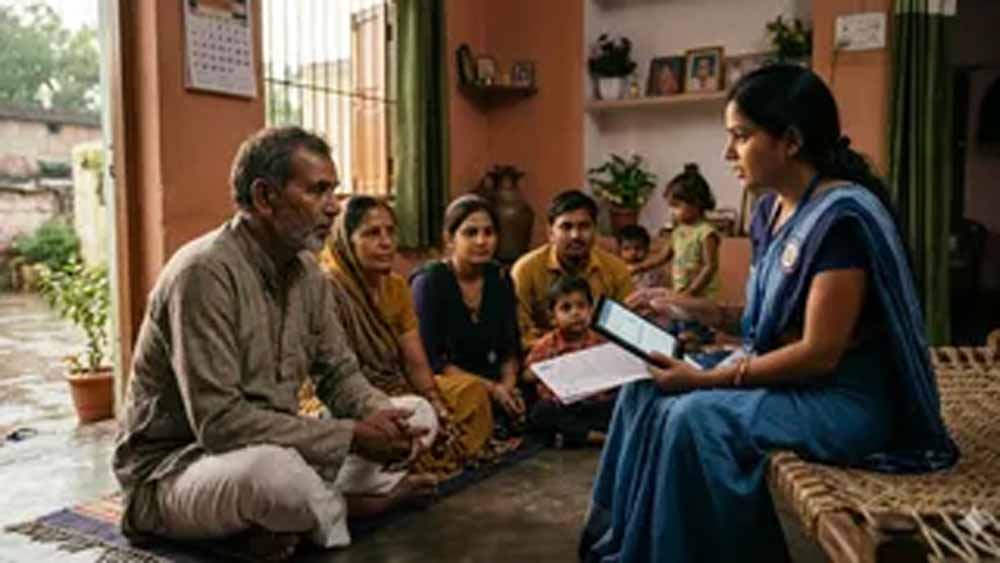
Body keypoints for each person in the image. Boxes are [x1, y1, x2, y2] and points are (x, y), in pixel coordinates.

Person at [580, 65, 957, 562]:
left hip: (841, 399)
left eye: (740, 136)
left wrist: (708, 380)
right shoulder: (770, 212)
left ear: (791, 142)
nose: (727, 153)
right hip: (784, 378)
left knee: (694, 419)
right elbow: (766, 324)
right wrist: (692, 307)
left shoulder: (840, 219)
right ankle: (622, 545)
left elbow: (819, 354)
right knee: (642, 387)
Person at [112, 127, 435, 561]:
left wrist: (381, 418)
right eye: (318, 191)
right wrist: (350, 436)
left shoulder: (309, 274)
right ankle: (359, 506)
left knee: (418, 414)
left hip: (279, 443)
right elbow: (220, 424)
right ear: (265, 198)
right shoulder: (203, 273)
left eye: (333, 191)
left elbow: (340, 374)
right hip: (181, 469)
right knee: (276, 476)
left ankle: (295, 516)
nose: (334, 207)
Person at [307, 195, 500, 480]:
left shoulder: (396, 287)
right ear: (346, 242)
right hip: (344, 398)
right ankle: (403, 466)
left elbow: (414, 360)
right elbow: (335, 376)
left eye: (390, 232)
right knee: (399, 421)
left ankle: (409, 462)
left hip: (395, 384)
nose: (386, 243)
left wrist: (434, 399)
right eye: (372, 234)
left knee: (469, 393)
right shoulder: (326, 290)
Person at [410, 194, 526, 431]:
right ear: (449, 239)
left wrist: (508, 385)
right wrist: (492, 390)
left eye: (489, 232)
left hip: (493, 378)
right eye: (470, 233)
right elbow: (433, 359)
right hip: (449, 382)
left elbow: (510, 347)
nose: (482, 241)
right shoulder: (429, 283)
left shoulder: (500, 278)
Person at [511, 189, 633, 350]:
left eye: (584, 226)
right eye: (566, 227)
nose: (575, 235)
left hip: (600, 353)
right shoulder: (526, 270)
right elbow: (520, 332)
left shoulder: (616, 269)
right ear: (550, 233)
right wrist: (559, 348)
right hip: (545, 355)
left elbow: (627, 329)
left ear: (595, 230)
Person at [525, 276, 614, 448]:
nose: (575, 313)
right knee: (541, 412)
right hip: (564, 405)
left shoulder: (600, 340)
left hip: (596, 402)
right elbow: (528, 375)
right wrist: (556, 367)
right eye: (566, 308)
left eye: (581, 306)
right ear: (553, 317)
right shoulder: (548, 344)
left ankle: (572, 436)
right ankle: (593, 437)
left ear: (591, 310)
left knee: (621, 402)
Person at [631, 163, 720, 299]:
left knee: (660, 305)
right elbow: (663, 257)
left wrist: (691, 292)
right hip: (680, 293)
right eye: (670, 207)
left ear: (696, 203)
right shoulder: (678, 231)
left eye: (676, 206)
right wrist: (638, 268)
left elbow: (710, 266)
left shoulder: (706, 233)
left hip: (701, 296)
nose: (672, 212)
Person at [616, 224, 668, 289]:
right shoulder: (619, 269)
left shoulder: (653, 267)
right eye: (626, 248)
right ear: (619, 250)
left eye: (637, 248)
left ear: (646, 249)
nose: (633, 253)